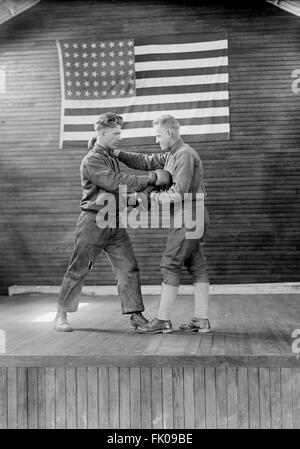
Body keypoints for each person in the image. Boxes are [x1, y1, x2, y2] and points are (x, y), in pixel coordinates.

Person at [54, 112, 171, 332]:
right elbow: (115, 182)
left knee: (128, 267)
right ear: (103, 132)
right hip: (93, 222)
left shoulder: (110, 157)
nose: (119, 137)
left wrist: (136, 198)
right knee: (79, 268)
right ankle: (61, 314)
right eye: (116, 133)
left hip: (114, 221)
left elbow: (115, 191)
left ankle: (136, 316)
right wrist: (151, 178)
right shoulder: (92, 160)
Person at [113, 114, 211, 334]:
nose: (156, 140)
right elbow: (144, 161)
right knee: (197, 266)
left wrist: (151, 196)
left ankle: (163, 320)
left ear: (169, 133)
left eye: (158, 136)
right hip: (193, 214)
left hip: (188, 214)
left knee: (169, 264)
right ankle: (201, 320)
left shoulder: (184, 155)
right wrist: (115, 153)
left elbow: (178, 194)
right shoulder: (172, 154)